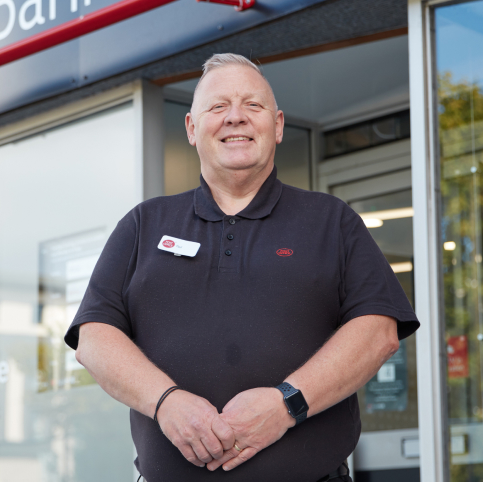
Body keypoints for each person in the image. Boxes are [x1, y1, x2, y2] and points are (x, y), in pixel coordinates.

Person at [64, 53, 419, 482]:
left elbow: (378, 330)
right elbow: (94, 339)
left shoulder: (331, 220)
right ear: (192, 129)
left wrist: (288, 403)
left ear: (279, 125)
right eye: (218, 107)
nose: (236, 118)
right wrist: (167, 402)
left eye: (253, 106)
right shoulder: (144, 225)